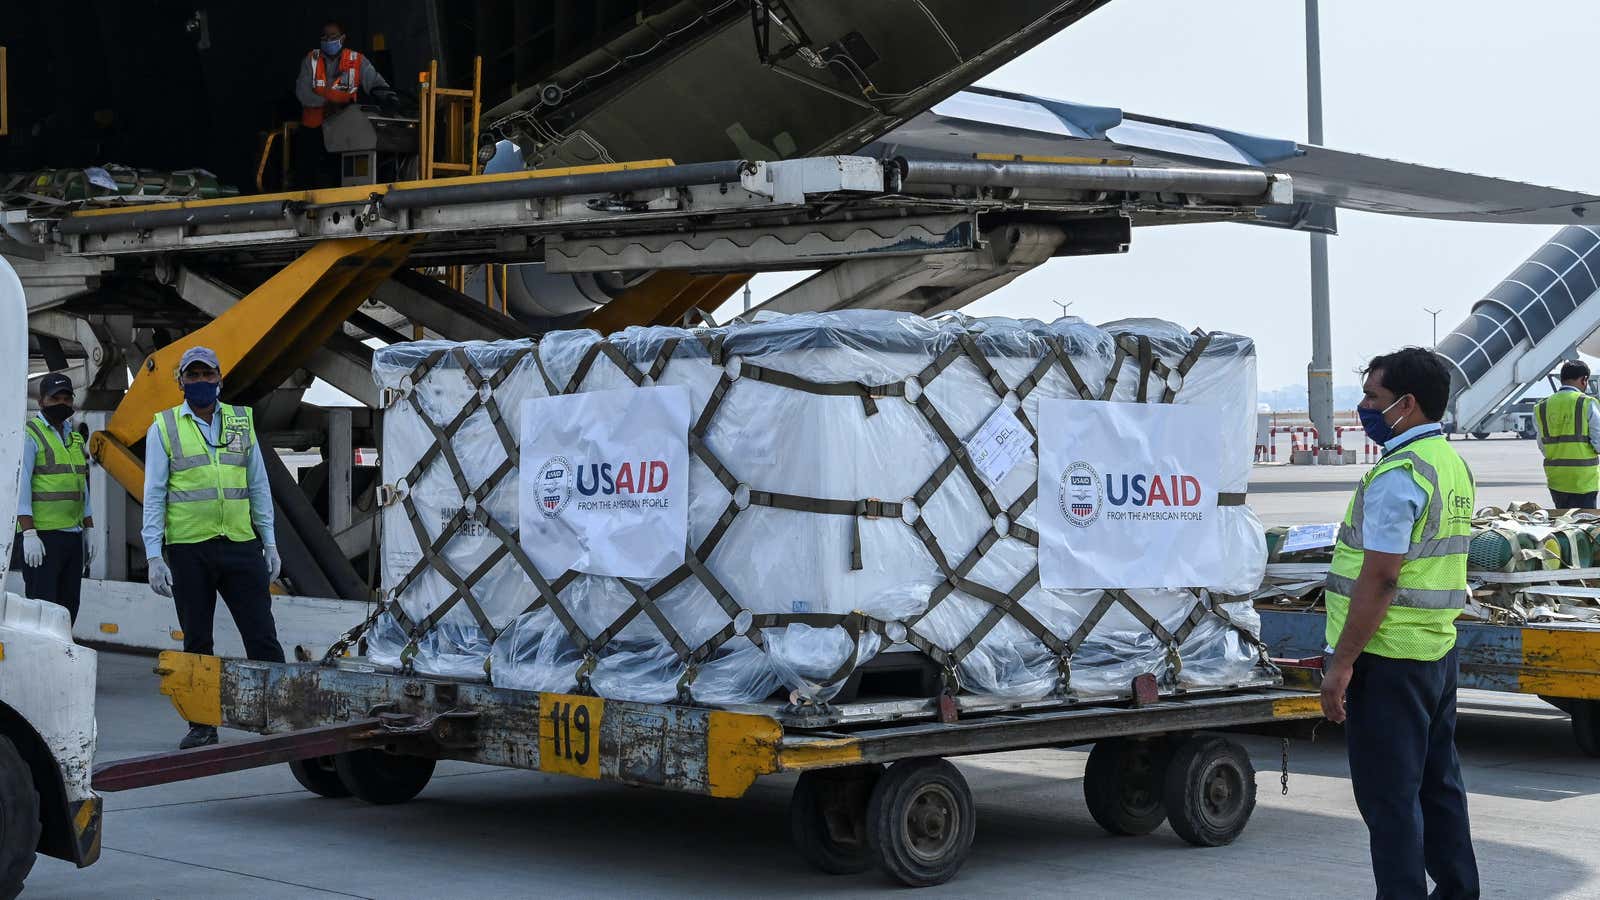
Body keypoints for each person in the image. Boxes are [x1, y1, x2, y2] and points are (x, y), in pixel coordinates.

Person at [1321, 347, 1479, 899]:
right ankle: (1459, 891)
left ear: (1406, 404)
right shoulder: (1449, 462)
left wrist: (1340, 664)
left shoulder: (1399, 474)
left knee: (1389, 801)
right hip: (1435, 650)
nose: (1363, 406)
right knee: (1439, 786)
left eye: (1373, 397)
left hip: (1387, 658)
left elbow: (1382, 578)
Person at [143, 347, 285, 749]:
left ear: (220, 379)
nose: (201, 382)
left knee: (262, 636)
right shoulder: (164, 427)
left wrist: (269, 542)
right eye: (193, 376)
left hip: (240, 545)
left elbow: (258, 485)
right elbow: (154, 494)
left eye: (207, 375)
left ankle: (280, 714)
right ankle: (202, 725)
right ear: (181, 382)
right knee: (197, 642)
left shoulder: (241, 422)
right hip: (190, 549)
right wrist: (154, 554)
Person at [14, 372, 92, 623]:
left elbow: (82, 486)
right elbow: (20, 485)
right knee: (42, 610)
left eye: (66, 398)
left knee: (69, 609)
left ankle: (64, 659)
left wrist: (89, 529)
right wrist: (28, 533)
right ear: (41, 401)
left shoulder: (75, 437)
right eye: (54, 397)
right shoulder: (29, 435)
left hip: (72, 536)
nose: (61, 403)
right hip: (43, 537)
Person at [292, 20, 396, 188]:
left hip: (344, 131)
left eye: (332, 36)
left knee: (339, 177)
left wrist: (391, 99)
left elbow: (376, 83)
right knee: (308, 181)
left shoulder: (357, 60)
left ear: (343, 38)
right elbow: (302, 92)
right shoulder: (311, 59)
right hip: (313, 131)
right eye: (324, 37)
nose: (328, 40)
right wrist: (325, 104)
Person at [1533, 360, 1600, 509]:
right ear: (1584, 380)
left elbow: (1542, 445)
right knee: (1584, 526)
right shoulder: (1587, 403)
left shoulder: (1541, 407)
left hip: (1557, 480)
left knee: (1563, 525)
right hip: (1584, 480)